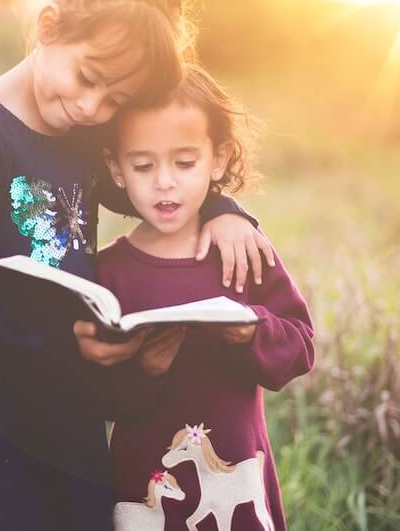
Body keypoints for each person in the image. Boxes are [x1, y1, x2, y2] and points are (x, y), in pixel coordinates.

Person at [0, 0, 273, 530]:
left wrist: (223, 209)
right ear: (47, 26)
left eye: (115, 100)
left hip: (68, 384)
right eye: (88, 78)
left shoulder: (82, 135)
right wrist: (64, 337)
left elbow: (148, 195)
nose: (90, 106)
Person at [100, 64, 315, 531]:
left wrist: (252, 330)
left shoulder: (241, 251)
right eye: (142, 165)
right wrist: (145, 370)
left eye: (184, 162)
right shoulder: (107, 272)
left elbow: (301, 346)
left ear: (218, 160)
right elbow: (94, 396)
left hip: (236, 472)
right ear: (116, 168)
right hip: (143, 480)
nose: (164, 182)